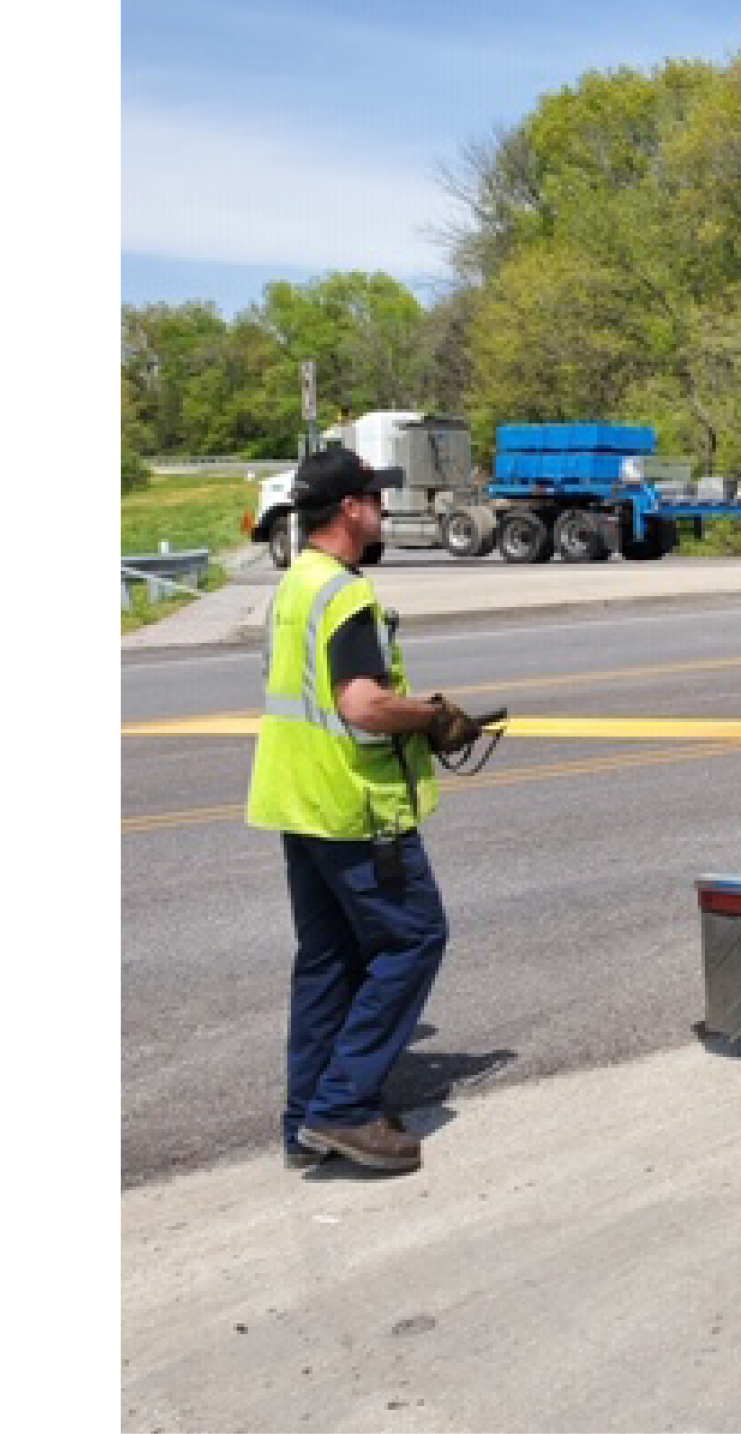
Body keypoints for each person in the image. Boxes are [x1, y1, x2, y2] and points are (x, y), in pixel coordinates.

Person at [246, 446, 484, 1174]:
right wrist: (431, 715)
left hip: (298, 798)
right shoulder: (346, 595)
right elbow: (361, 704)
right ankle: (344, 1109)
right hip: (355, 806)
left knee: (328, 961)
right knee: (413, 939)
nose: (381, 511)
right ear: (349, 509)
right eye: (374, 501)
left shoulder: (295, 584)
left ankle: (305, 1123)